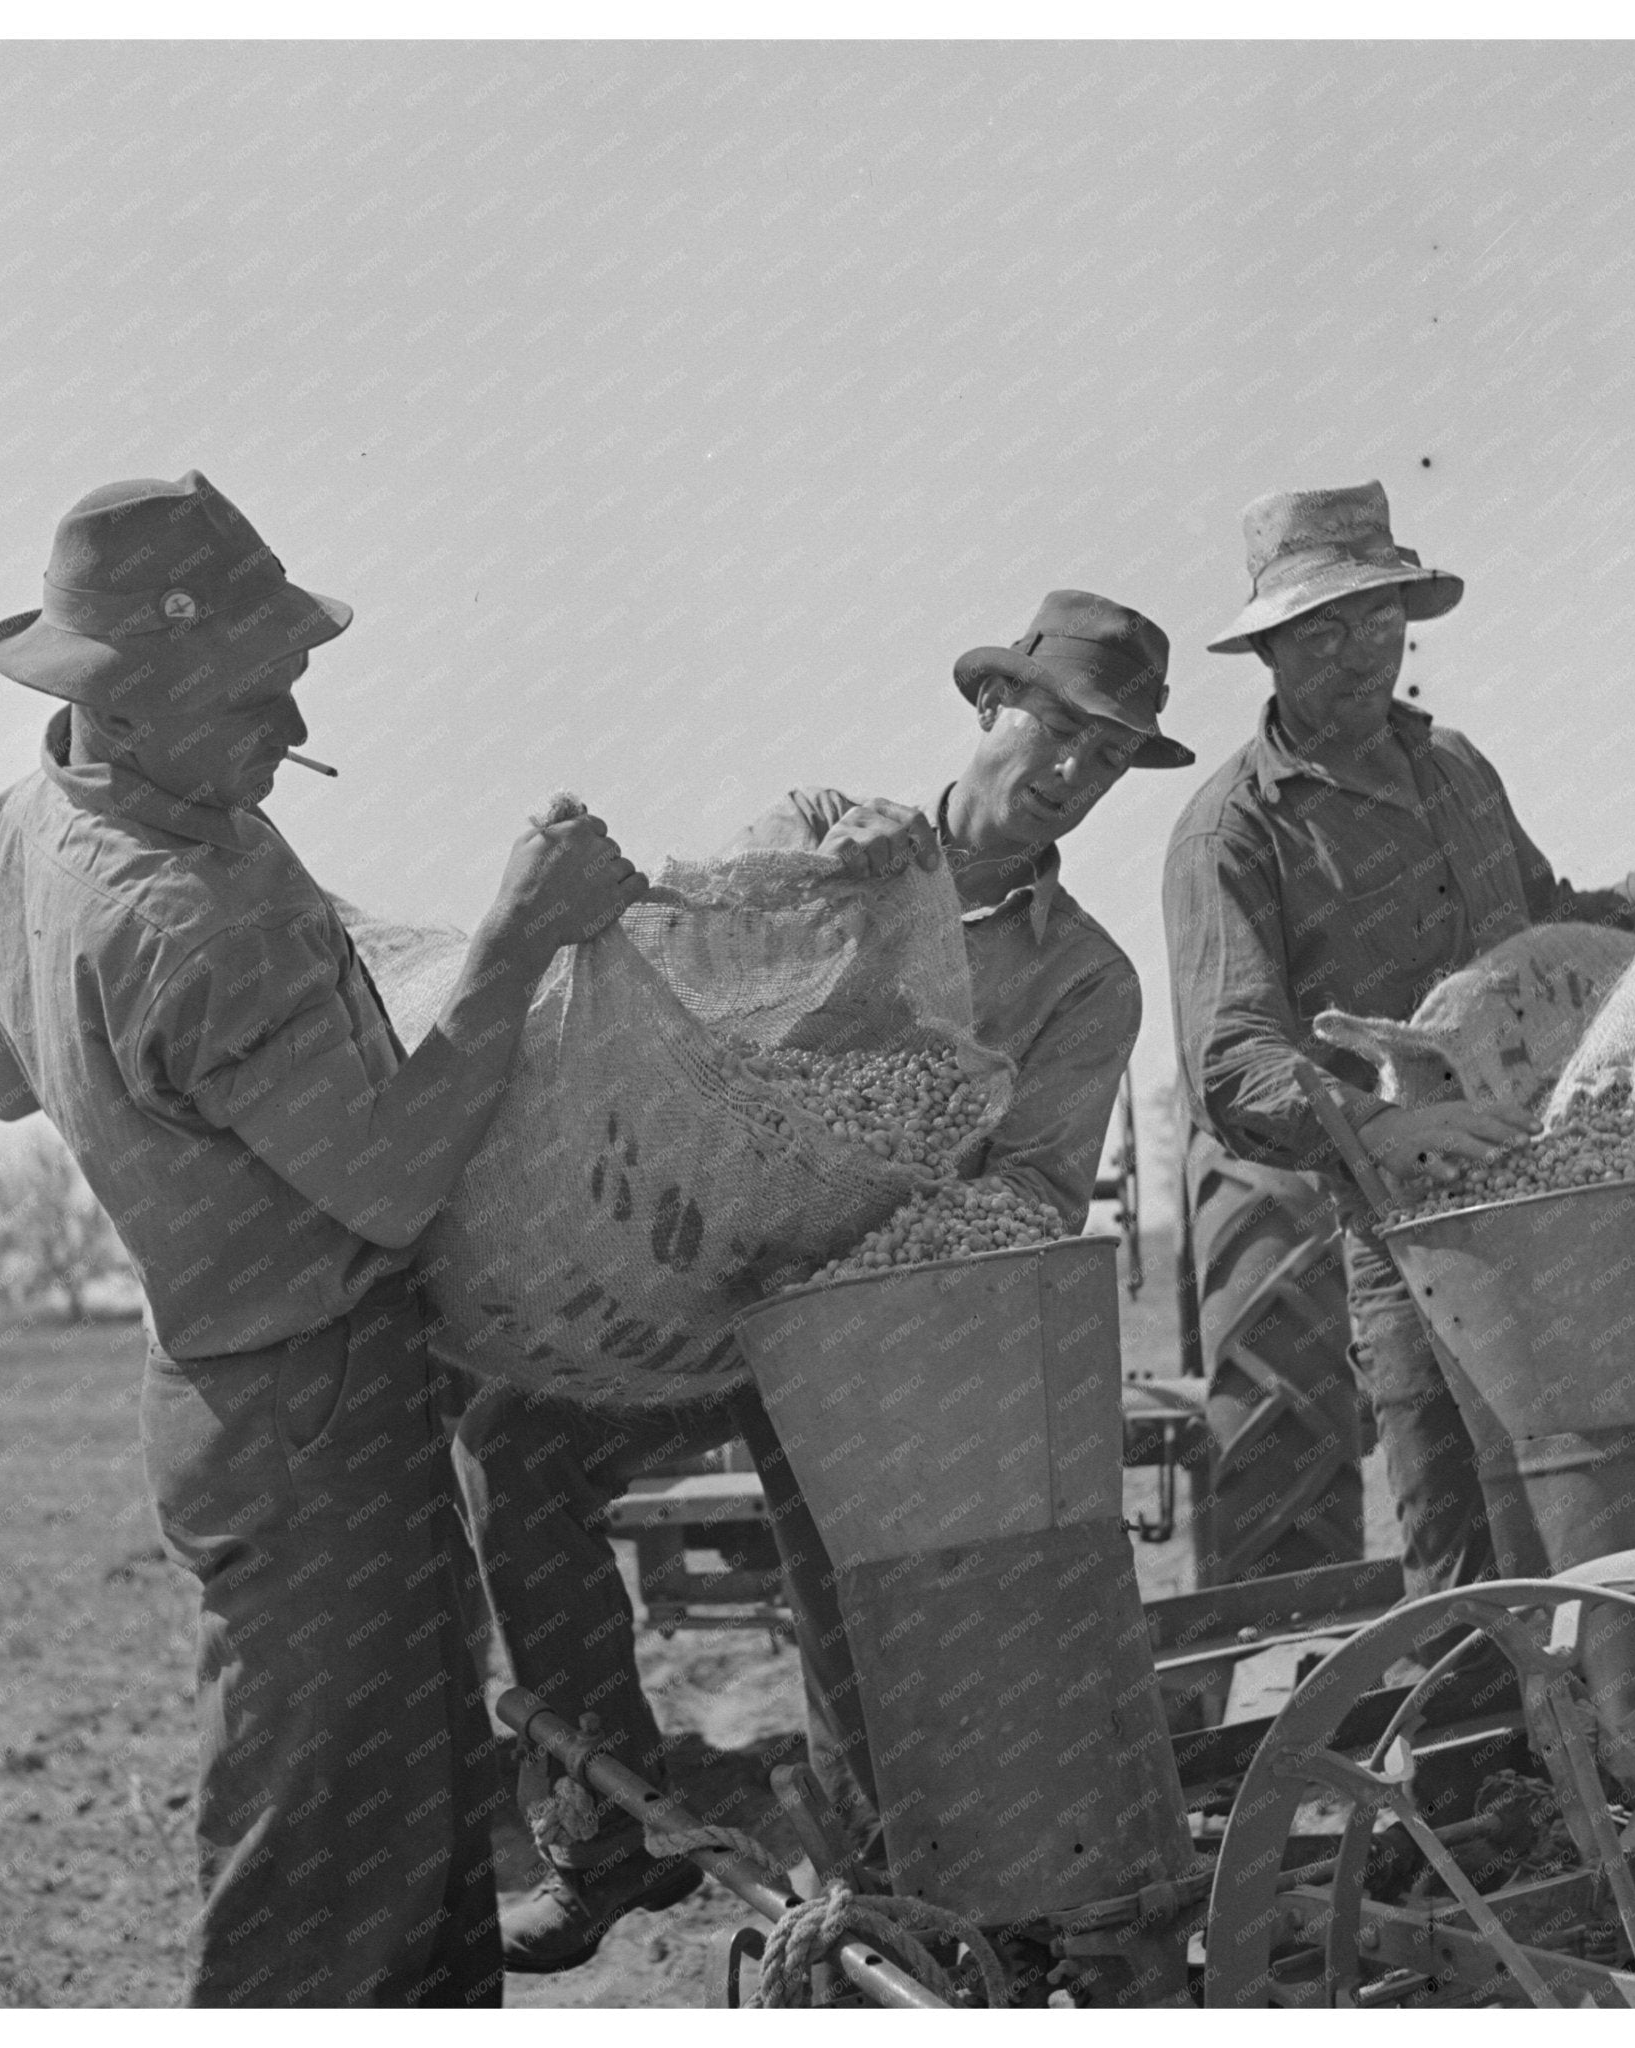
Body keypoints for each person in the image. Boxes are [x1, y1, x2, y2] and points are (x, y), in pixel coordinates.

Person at [0, 471, 647, 2007]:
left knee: (398, 1831)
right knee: (328, 1871)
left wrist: (172, 1090)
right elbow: (396, 1184)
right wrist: (518, 935)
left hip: (217, 1397)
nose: (289, 727)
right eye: (253, 697)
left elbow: (4, 1071)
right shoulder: (192, 917)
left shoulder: (36, 820)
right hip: (314, 1412)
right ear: (124, 705)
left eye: (293, 684)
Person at [459, 589, 1194, 1971]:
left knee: (865, 1614)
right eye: (1060, 732)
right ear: (991, 706)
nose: (1073, 776)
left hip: (868, 1335)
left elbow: (1035, 1190)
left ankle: (883, 1924)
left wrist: (894, 1219)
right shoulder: (816, 832)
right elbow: (689, 967)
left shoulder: (1084, 980)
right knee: (511, 1449)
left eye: (1109, 760)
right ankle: (606, 1832)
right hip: (703, 1294)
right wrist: (841, 908)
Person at [1162, 481, 1635, 1605]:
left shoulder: (1454, 767)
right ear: (1266, 648)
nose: (1357, 649)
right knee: (1465, 1538)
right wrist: (1391, 1120)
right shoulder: (1235, 828)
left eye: (1376, 616)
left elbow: (1553, 930)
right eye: (1320, 628)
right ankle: (1473, 1775)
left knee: (1612, 1496)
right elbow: (1229, 1057)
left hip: (1553, 1198)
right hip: (1414, 1230)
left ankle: (1622, 1745)